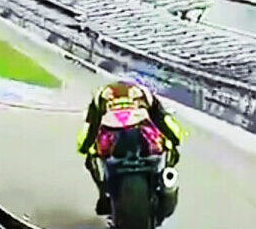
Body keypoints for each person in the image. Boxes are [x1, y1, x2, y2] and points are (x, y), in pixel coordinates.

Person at [75, 79, 182, 215]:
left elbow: (90, 128)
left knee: (92, 159)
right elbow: (163, 119)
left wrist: (85, 148)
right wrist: (174, 140)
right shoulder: (144, 93)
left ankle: (104, 195)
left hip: (119, 147)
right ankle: (167, 185)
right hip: (142, 144)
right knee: (170, 150)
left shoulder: (101, 96)